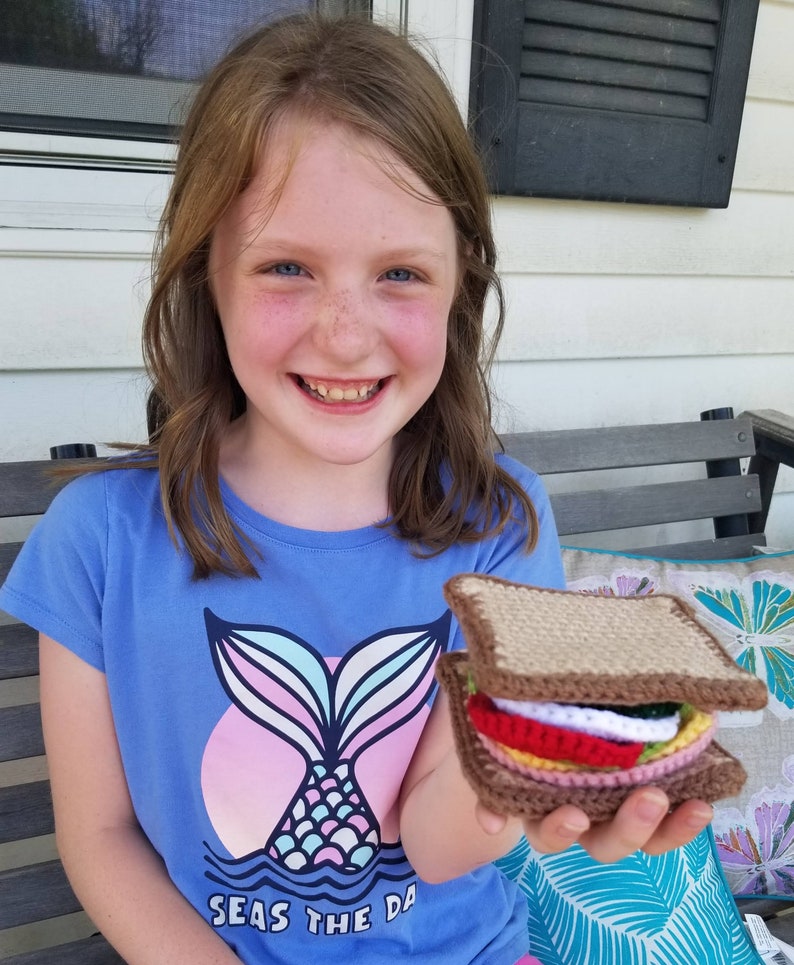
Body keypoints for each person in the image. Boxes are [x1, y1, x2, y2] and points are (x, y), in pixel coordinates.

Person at [0, 13, 714, 965]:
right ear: (206, 271)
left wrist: (516, 785)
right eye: (286, 267)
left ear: (461, 284)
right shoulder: (99, 541)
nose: (344, 333)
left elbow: (432, 833)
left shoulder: (501, 524)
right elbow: (101, 838)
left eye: (400, 273)